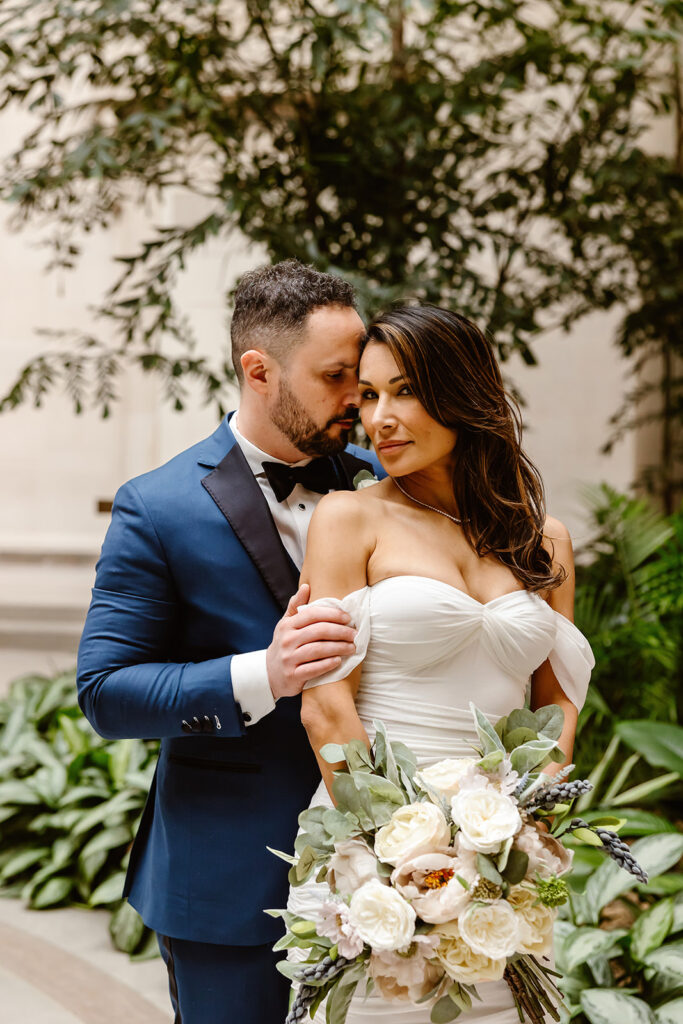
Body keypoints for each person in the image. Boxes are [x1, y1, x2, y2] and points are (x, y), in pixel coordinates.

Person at [76, 260, 383, 1024]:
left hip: (391, 870)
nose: (359, 400)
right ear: (259, 371)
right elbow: (106, 692)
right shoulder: (158, 507)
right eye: (336, 376)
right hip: (233, 882)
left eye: (363, 374)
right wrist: (264, 673)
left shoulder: (384, 482)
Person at [287, 304, 595, 1023]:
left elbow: (555, 710)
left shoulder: (542, 541)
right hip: (370, 859)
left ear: (462, 393)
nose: (380, 418)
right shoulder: (349, 518)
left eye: (404, 391)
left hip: (502, 871)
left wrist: (512, 843)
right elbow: (324, 705)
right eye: (367, 396)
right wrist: (411, 869)